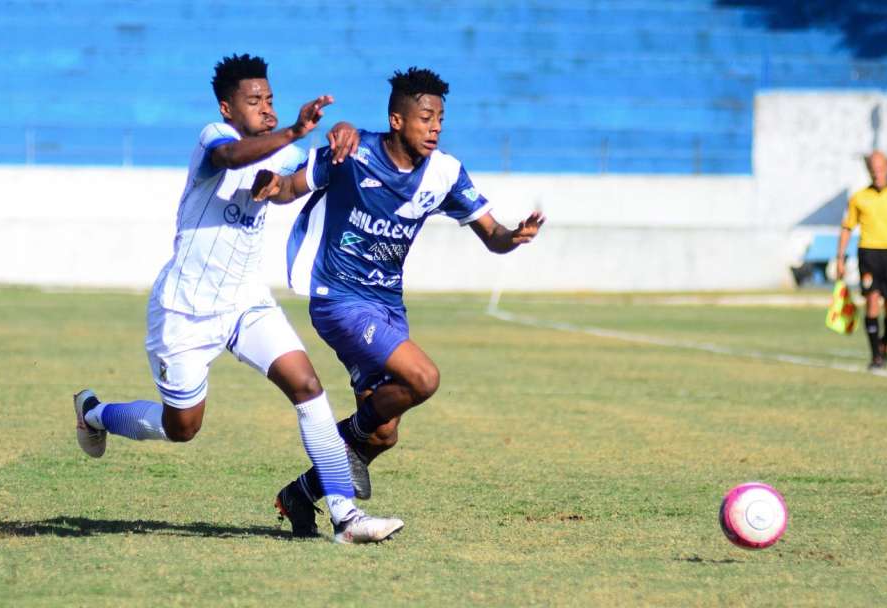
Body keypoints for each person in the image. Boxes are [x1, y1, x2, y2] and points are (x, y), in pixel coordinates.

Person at [72, 53, 402, 544]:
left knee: (307, 387)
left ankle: (345, 515)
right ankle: (93, 412)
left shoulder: (280, 151)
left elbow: (302, 176)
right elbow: (231, 159)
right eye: (254, 101)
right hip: (186, 309)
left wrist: (344, 131)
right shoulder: (213, 138)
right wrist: (292, 131)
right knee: (182, 427)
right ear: (227, 108)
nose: (266, 109)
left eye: (270, 100)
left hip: (246, 302)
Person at [251, 67, 545, 536]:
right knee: (423, 378)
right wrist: (268, 186)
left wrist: (516, 236)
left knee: (384, 432)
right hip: (338, 299)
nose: (435, 127)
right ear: (396, 120)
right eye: (426, 117)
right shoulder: (351, 151)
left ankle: (300, 494)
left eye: (441, 119)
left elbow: (492, 236)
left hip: (387, 304)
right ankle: (345, 444)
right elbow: (290, 188)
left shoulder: (445, 172)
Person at [836, 150, 887, 369]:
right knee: (872, 302)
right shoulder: (859, 198)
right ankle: (876, 356)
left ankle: (885, 342)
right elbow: (846, 227)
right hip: (868, 254)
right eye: (873, 169)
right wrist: (840, 258)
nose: (877, 173)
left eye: (880, 168)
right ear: (869, 171)